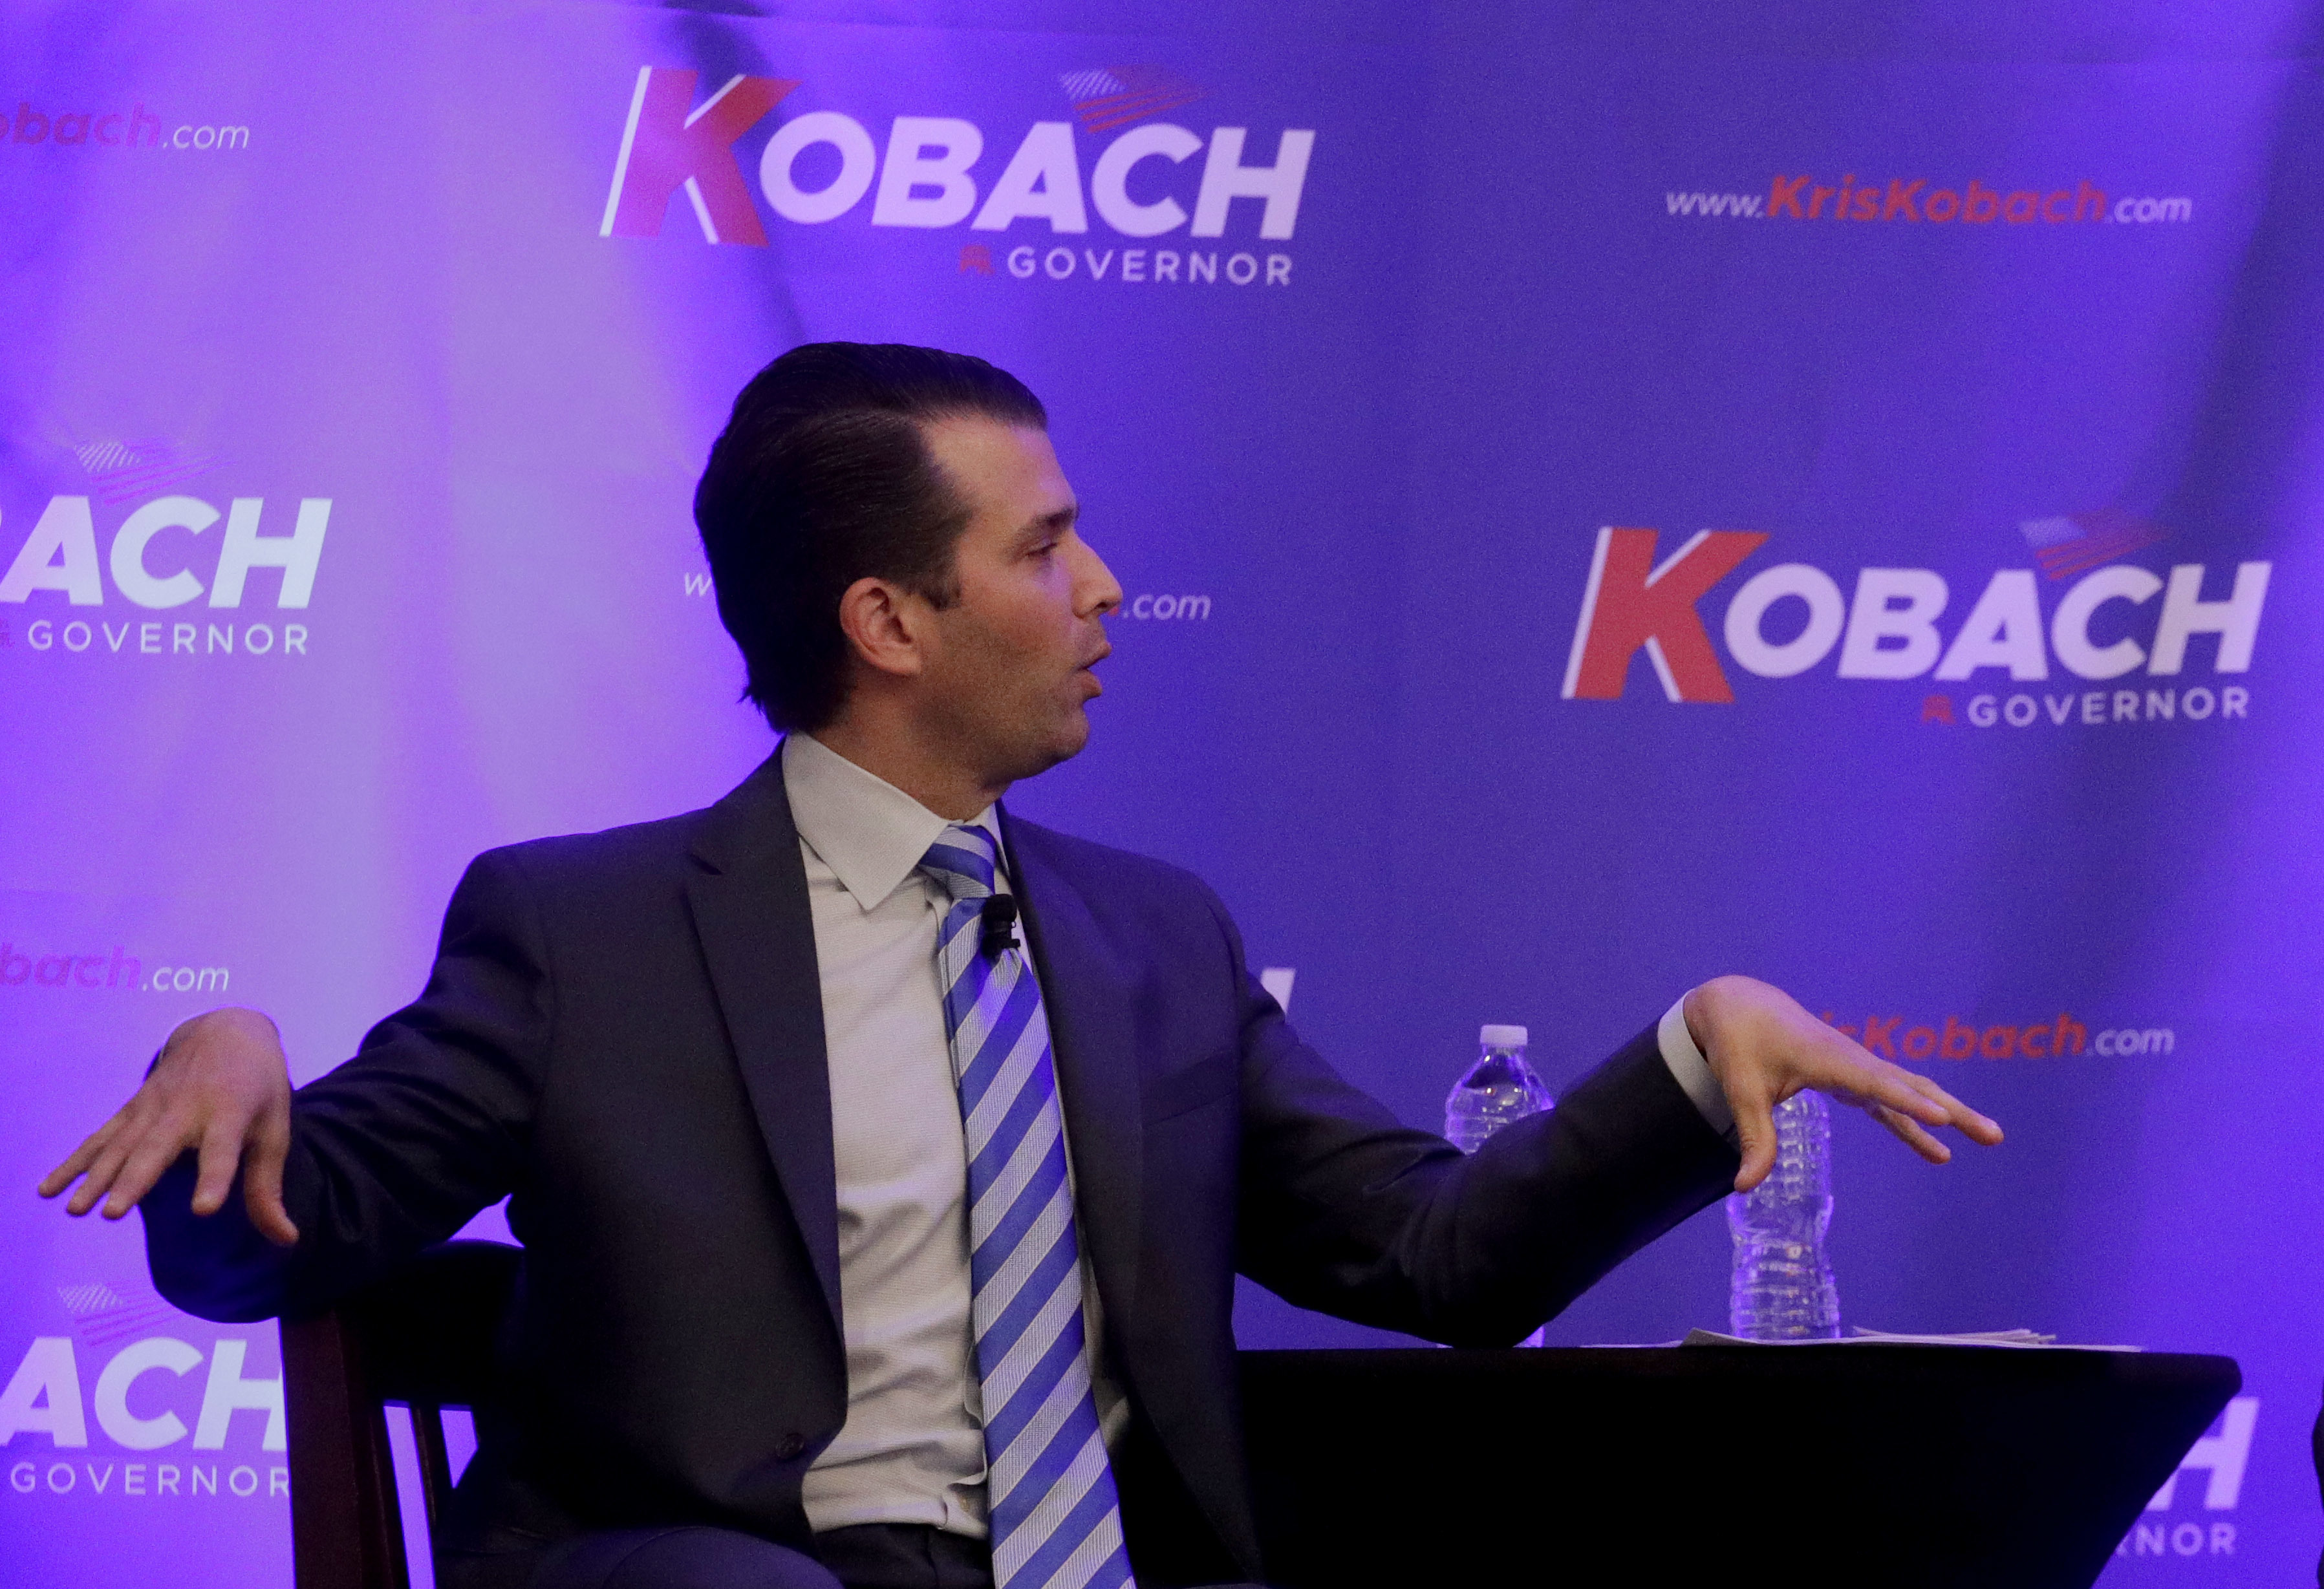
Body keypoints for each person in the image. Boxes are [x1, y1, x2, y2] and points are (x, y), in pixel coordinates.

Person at [39, 344, 2002, 1589]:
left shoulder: (1150, 937)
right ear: (890, 616)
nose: (1103, 590)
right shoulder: (581, 932)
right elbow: (255, 1258)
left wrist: (1687, 1052)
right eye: (1047, 545)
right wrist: (233, 1057)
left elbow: (1437, 1255)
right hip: (722, 1568)